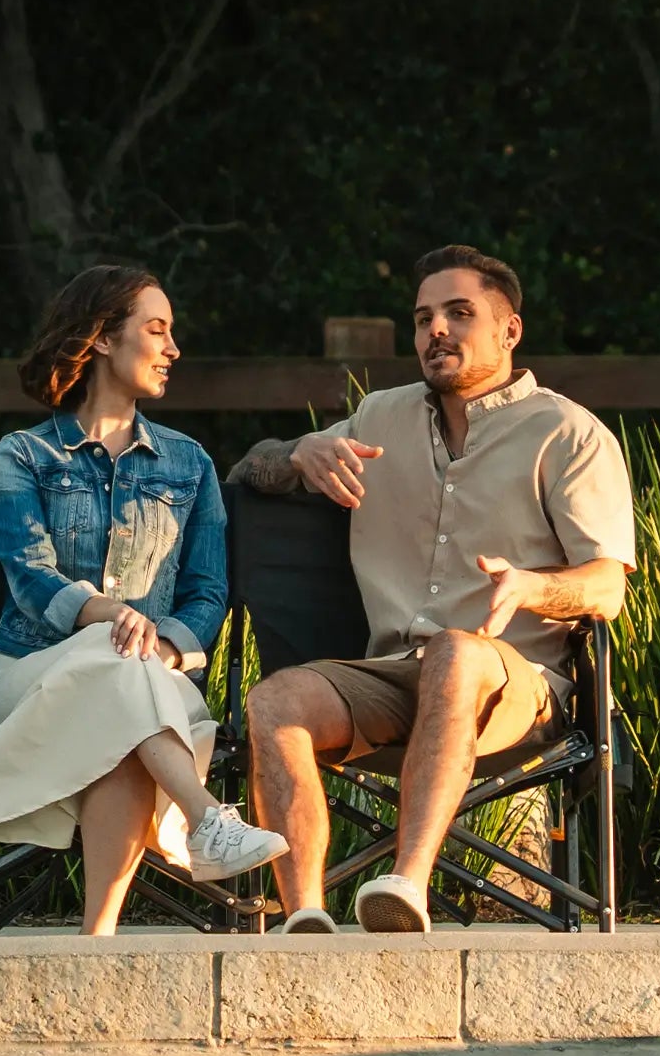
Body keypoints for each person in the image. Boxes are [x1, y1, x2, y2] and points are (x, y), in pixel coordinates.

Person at [229, 244, 635, 935]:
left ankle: (404, 888)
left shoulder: (568, 433)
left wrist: (533, 586)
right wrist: (297, 454)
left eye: (458, 313)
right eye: (422, 319)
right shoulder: (377, 418)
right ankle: (303, 914)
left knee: (457, 650)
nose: (435, 330)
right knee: (276, 699)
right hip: (392, 676)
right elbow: (249, 469)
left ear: (509, 331)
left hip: (517, 688)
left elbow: (606, 587)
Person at [0, 265, 286, 935]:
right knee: (119, 676)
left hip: (153, 682)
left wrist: (162, 646)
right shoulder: (24, 455)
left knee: (125, 704)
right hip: (25, 683)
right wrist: (110, 616)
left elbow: (207, 593)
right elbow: (29, 575)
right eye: (156, 330)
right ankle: (206, 821)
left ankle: (96, 946)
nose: (173, 348)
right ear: (103, 339)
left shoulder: (189, 463)